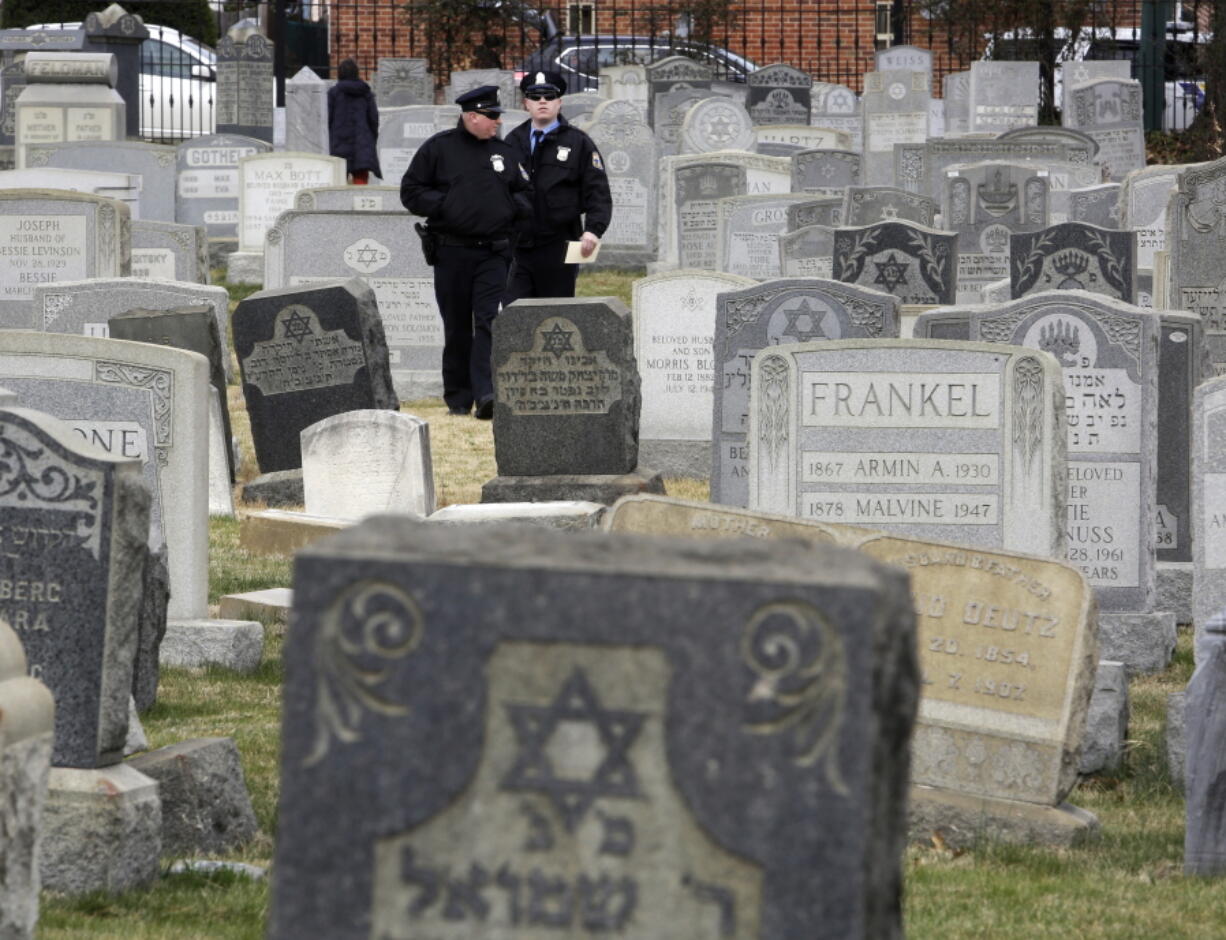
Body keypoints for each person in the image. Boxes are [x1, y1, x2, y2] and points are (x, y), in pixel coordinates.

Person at [401, 85, 532, 419]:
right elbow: (411, 192)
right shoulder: (439, 149)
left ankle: (487, 393)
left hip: (493, 253)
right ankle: (459, 397)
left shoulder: (504, 152)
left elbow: (526, 194)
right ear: (472, 116)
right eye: (492, 116)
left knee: (488, 320)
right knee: (457, 325)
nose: (498, 122)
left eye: (498, 116)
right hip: (452, 252)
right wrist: (447, 205)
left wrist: (507, 208)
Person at [502, 70, 612, 305]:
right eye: (536, 96)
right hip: (518, 245)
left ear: (559, 103)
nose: (542, 102)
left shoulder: (578, 142)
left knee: (555, 313)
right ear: (526, 104)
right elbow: (498, 190)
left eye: (549, 97)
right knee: (513, 317)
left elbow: (597, 190)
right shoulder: (512, 142)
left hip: (559, 245)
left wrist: (593, 230)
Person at [328, 59, 382, 184]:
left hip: (338, 142)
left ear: (340, 73)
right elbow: (373, 118)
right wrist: (371, 137)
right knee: (361, 182)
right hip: (362, 142)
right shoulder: (366, 93)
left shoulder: (333, 93)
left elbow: (328, 119)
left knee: (339, 182)